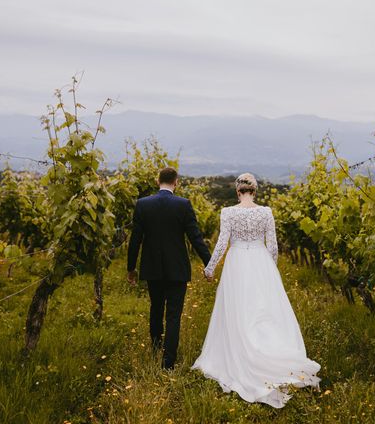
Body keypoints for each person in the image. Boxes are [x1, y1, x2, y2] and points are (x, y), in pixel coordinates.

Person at [192, 173, 320, 408]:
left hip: (237, 261)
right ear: (254, 191)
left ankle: (244, 351)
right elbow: (272, 245)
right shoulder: (266, 212)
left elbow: (222, 242)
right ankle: (270, 348)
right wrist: (270, 269)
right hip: (261, 261)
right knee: (264, 307)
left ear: (237, 191)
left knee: (239, 307)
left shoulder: (228, 212)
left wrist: (210, 269)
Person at [127, 167, 211, 369]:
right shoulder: (183, 205)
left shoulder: (143, 204)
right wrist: (210, 262)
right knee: (173, 314)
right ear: (176, 182)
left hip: (152, 267)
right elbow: (196, 238)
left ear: (158, 181)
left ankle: (156, 348)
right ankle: (168, 362)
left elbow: (135, 240)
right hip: (177, 269)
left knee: (156, 308)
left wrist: (131, 268)